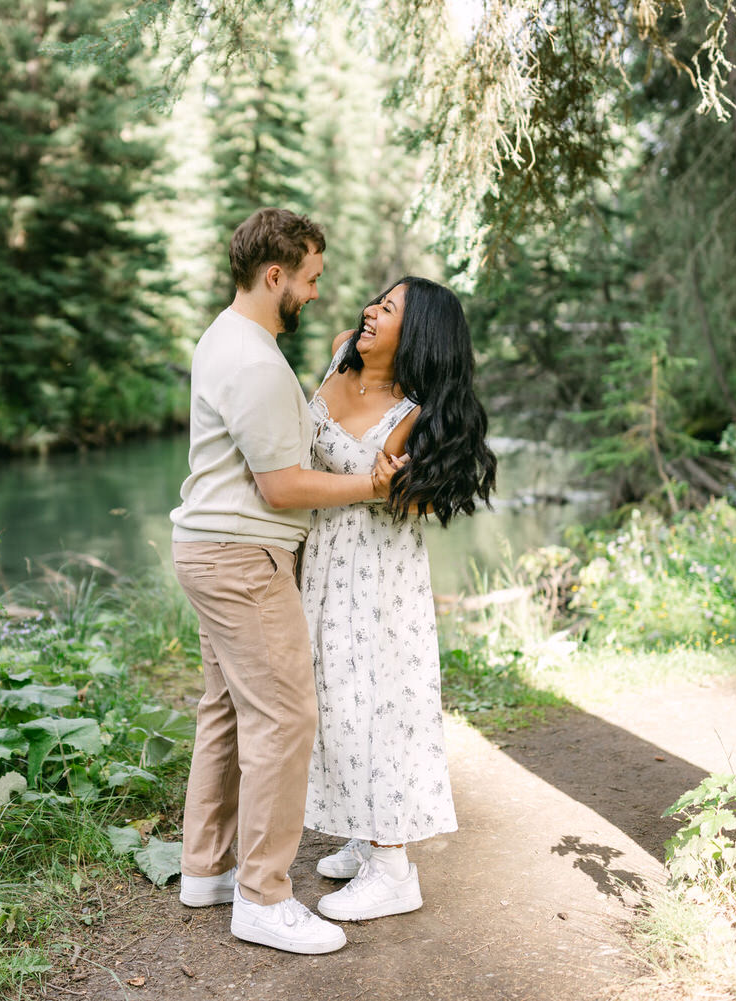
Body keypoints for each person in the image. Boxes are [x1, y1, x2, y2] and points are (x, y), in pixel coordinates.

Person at [170, 208, 403, 955]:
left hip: (208, 547)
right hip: (243, 558)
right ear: (275, 275)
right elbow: (281, 485)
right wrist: (371, 486)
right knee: (284, 717)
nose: (313, 292)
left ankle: (207, 869)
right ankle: (263, 896)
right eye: (308, 279)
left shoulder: (225, 336)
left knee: (227, 712)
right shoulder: (259, 361)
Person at [300, 276, 497, 922]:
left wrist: (397, 480)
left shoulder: (415, 412)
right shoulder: (337, 353)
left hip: (376, 575)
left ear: (416, 335)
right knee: (333, 699)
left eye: (388, 310)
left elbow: (408, 499)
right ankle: (366, 830)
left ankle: (394, 868)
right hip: (324, 560)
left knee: (373, 703)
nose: (369, 312)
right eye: (377, 301)